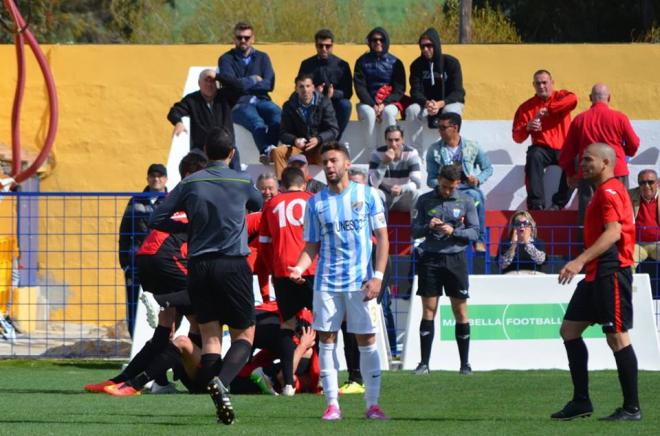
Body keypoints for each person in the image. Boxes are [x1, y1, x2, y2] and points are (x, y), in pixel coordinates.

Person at [148, 127, 262, 425]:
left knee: (211, 335)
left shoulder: (190, 183)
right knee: (244, 334)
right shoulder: (241, 180)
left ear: (206, 153)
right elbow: (258, 204)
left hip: (198, 266)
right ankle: (221, 382)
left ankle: (217, 402)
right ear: (231, 153)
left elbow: (156, 217)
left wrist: (187, 228)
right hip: (232, 263)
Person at [86, 151, 208, 396]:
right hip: (169, 260)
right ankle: (136, 383)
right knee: (197, 320)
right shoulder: (196, 195)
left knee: (168, 326)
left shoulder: (175, 197)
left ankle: (125, 380)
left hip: (149, 257)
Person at [289, 142, 390, 420]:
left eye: (334, 161)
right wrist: (299, 267)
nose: (329, 166)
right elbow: (311, 246)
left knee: (367, 340)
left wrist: (378, 277)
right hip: (327, 284)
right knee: (327, 341)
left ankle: (372, 404)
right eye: (325, 163)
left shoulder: (368, 196)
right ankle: (332, 404)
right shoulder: (316, 203)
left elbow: (382, 239)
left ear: (347, 164)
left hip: (361, 283)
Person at [552, 142, 641, 421]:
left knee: (617, 337)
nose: (583, 164)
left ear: (606, 163)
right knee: (569, 330)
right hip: (595, 274)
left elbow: (613, 233)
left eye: (588, 160)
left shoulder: (611, 191)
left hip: (610, 271)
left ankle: (631, 408)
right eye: (582, 160)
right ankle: (581, 402)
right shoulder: (601, 192)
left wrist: (578, 260)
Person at [411, 163, 479, 375]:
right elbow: (414, 231)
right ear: (438, 180)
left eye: (451, 187)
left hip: (455, 259)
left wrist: (454, 231)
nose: (447, 190)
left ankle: (465, 364)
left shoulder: (466, 201)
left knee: (460, 310)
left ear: (458, 183)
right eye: (443, 186)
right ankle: (424, 364)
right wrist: (427, 227)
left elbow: (476, 232)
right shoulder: (424, 200)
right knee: (429, 309)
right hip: (430, 258)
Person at [259, 167, 315, 396]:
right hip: (311, 268)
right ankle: (321, 380)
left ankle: (288, 384)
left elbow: (264, 244)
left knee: (287, 325)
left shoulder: (271, 205)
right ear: (303, 184)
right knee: (323, 324)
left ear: (282, 186)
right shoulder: (313, 200)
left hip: (282, 271)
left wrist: (273, 267)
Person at [559, 83, 640, 224]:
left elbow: (566, 153)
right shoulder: (620, 118)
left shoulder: (579, 119)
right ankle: (618, 244)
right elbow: (634, 144)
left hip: (588, 172)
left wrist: (571, 173)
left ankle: (585, 245)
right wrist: (622, 153)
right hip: (616, 170)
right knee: (619, 210)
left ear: (590, 98)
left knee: (588, 214)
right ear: (609, 97)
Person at [426, 113, 492, 252]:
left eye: (443, 127)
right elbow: (430, 178)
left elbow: (488, 168)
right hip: (443, 189)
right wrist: (441, 184)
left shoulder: (473, 146)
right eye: (439, 127)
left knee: (477, 197)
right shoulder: (434, 149)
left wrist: (478, 179)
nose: (440, 131)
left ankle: (479, 239)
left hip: (466, 189)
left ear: (455, 127)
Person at [217, 22, 281, 164]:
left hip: (262, 100)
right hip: (239, 104)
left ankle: (271, 149)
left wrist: (241, 84)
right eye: (239, 37)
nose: (243, 41)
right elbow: (231, 85)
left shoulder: (263, 57)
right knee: (256, 121)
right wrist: (254, 80)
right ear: (234, 39)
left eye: (247, 37)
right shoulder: (226, 59)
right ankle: (266, 151)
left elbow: (269, 84)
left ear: (253, 39)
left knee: (277, 113)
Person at [512, 70, 577, 210]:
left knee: (575, 161)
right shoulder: (526, 107)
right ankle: (536, 205)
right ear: (533, 85)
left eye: (544, 82)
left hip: (563, 148)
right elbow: (517, 137)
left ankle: (558, 204)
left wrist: (548, 109)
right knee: (533, 156)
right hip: (541, 149)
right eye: (538, 83)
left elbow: (573, 99)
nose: (541, 86)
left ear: (552, 83)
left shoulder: (561, 96)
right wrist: (527, 127)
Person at [118, 163, 167, 338]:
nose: (156, 179)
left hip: (162, 262)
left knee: (162, 304)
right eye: (153, 176)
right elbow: (124, 232)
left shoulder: (171, 200)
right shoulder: (136, 200)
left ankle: (160, 343)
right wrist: (125, 263)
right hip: (136, 262)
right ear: (147, 179)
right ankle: (135, 342)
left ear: (166, 179)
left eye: (160, 176)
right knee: (134, 303)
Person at [167, 69, 240, 170]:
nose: (210, 84)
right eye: (206, 81)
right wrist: (178, 122)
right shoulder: (191, 100)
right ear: (199, 83)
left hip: (226, 147)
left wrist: (218, 76)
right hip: (202, 150)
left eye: (213, 81)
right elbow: (174, 111)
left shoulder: (225, 96)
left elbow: (240, 88)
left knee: (236, 178)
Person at [270, 74, 339, 178]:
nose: (305, 90)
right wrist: (295, 140)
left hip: (319, 147)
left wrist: (318, 139)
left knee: (333, 153)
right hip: (299, 149)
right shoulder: (289, 106)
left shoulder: (325, 102)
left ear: (313, 87)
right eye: (301, 86)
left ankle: (334, 185)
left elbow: (333, 130)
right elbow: (283, 133)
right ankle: (283, 188)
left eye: (308, 86)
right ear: (296, 89)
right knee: (277, 152)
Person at [354, 27, 406, 149]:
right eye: (374, 39)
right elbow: (360, 87)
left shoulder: (395, 62)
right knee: (369, 114)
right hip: (367, 103)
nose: (378, 42)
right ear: (370, 42)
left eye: (381, 40)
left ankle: (390, 150)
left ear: (386, 41)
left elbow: (400, 89)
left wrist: (385, 103)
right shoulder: (361, 62)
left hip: (390, 102)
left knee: (388, 113)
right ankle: (373, 153)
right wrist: (373, 104)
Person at [297, 29, 353, 140]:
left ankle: (334, 139)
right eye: (320, 46)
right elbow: (299, 86)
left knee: (346, 105)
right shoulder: (307, 64)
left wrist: (332, 94)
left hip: (334, 103)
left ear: (332, 45)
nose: (324, 49)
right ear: (315, 45)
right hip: (312, 104)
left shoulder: (342, 65)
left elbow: (348, 91)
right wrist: (313, 92)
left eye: (327, 46)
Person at [406, 27, 465, 127]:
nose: (425, 49)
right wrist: (427, 103)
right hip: (426, 104)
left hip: (448, 102)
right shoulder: (416, 65)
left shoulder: (451, 63)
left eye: (429, 45)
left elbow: (458, 92)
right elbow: (415, 92)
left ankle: (450, 142)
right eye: (422, 46)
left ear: (436, 45)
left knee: (449, 111)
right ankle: (414, 143)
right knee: (412, 110)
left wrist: (440, 104)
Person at [368, 125, 422, 217]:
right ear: (385, 141)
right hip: (385, 197)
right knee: (375, 193)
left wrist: (402, 188)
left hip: (403, 196)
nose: (393, 144)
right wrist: (384, 163)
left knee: (417, 194)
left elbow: (417, 183)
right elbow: (372, 184)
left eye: (397, 140)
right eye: (390, 140)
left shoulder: (411, 153)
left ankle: (415, 228)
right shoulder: (376, 154)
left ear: (402, 140)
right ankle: (382, 230)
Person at [629, 170, 660, 266]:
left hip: (658, 243)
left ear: (658, 183)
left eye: (650, 182)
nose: (646, 186)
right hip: (637, 243)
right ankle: (631, 282)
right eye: (642, 183)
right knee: (627, 263)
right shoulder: (629, 195)